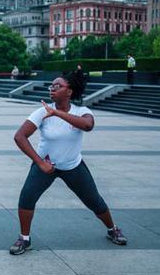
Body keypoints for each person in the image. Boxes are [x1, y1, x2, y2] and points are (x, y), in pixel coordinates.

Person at [9, 71, 127, 255]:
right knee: (26, 198)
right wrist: (39, 163)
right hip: (46, 166)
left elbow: (87, 126)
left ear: (70, 91)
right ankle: (24, 238)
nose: (52, 88)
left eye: (58, 86)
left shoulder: (82, 112)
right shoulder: (42, 111)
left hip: (73, 166)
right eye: (52, 86)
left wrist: (57, 113)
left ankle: (113, 229)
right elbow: (19, 136)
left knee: (94, 201)